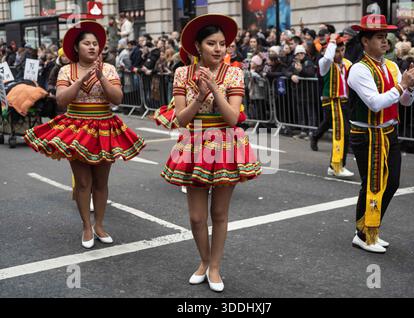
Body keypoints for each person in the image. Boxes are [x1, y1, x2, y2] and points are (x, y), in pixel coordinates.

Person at [161, 14, 261, 292]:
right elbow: (181, 119)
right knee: (196, 217)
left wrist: (215, 90)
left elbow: (232, 118)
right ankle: (204, 261)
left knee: (219, 212)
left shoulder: (234, 73)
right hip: (193, 143)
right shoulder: (182, 73)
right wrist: (200, 97)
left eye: (223, 44)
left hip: (226, 143)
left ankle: (215, 266)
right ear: (197, 46)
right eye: (211, 43)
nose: (218, 49)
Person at [24, 21, 146, 249]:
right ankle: (86, 226)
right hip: (76, 127)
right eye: (87, 44)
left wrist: (100, 77)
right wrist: (80, 79)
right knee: (82, 182)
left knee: (101, 182)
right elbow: (61, 100)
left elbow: (117, 98)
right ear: (77, 47)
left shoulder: (108, 69)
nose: (92, 47)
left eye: (96, 44)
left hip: (105, 126)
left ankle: (99, 225)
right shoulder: (65, 70)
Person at [347, 14, 414, 253]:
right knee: (372, 183)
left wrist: (410, 87)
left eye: (386, 37)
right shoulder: (359, 70)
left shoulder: (391, 65)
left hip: (389, 131)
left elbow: (404, 102)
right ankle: (364, 234)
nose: (385, 42)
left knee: (391, 183)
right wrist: (402, 84)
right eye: (379, 37)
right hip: (367, 133)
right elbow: (375, 103)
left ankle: (372, 228)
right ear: (365, 41)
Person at [310, 34, 354, 178]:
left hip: (344, 102)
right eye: (337, 50)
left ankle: (336, 165)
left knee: (345, 133)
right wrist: (332, 42)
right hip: (332, 102)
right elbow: (328, 57)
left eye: (342, 50)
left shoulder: (347, 63)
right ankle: (336, 166)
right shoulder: (325, 63)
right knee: (340, 133)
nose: (339, 54)